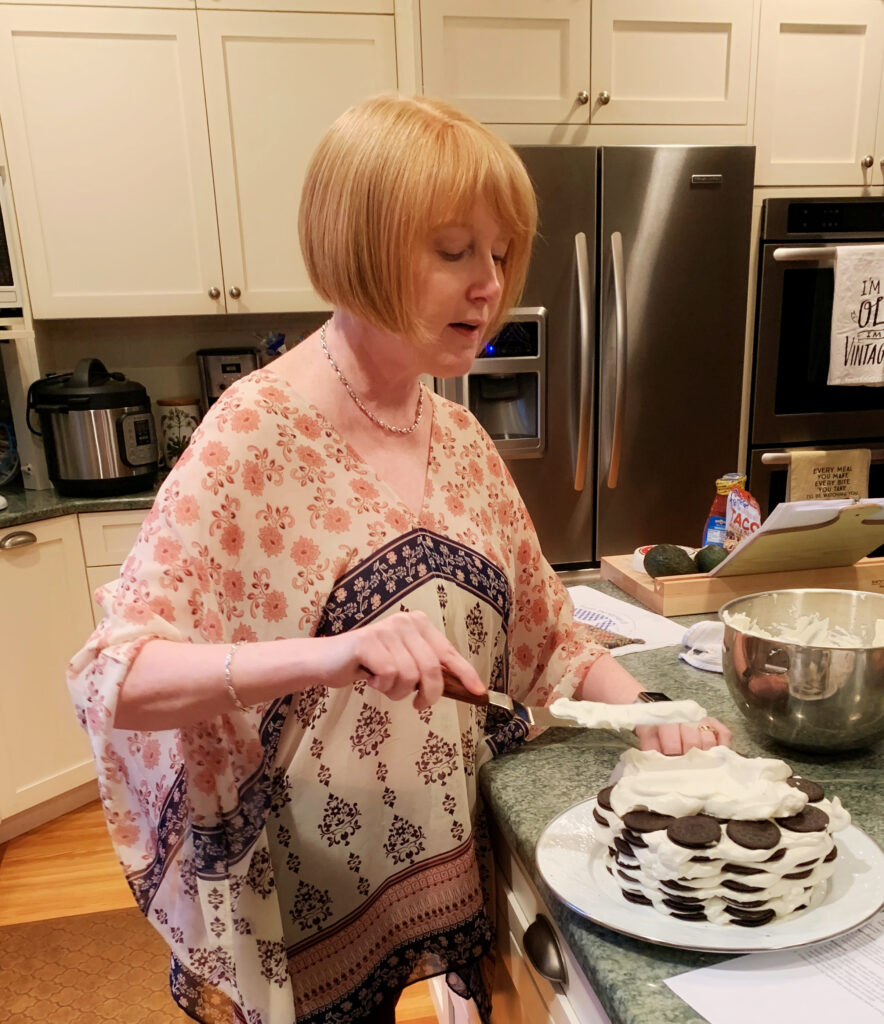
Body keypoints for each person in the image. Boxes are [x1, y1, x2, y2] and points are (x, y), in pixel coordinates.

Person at [67, 93, 732, 1024]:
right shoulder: (255, 436)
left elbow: (550, 642)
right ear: (361, 247)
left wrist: (653, 714)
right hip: (301, 888)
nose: (489, 283)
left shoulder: (459, 439)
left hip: (436, 858)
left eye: (500, 254)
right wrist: (334, 653)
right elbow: (115, 677)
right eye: (454, 251)